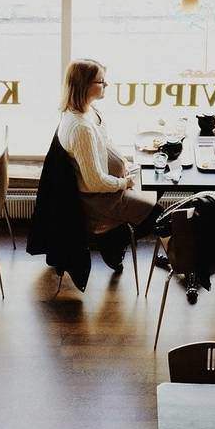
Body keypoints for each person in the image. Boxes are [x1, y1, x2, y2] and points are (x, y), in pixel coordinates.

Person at [57, 58, 157, 271]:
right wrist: (124, 183)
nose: (106, 85)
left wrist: (123, 161)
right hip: (102, 199)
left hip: (113, 187)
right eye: (101, 81)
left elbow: (105, 142)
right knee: (158, 216)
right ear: (85, 85)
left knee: (154, 189)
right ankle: (113, 241)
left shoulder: (89, 110)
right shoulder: (80, 128)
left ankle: (114, 238)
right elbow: (94, 182)